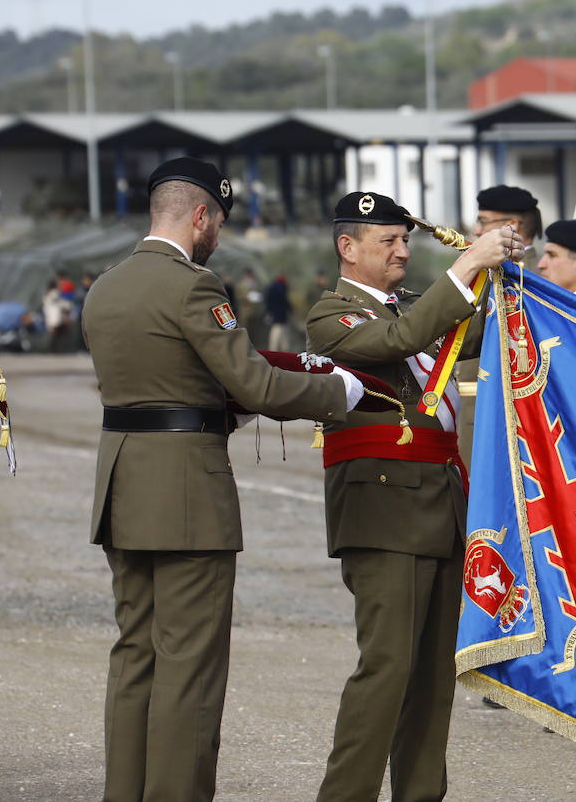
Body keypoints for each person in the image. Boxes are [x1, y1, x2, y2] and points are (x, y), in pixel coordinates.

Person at [82, 157, 359, 802]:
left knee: (135, 659)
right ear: (201, 215)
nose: (218, 238)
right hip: (186, 491)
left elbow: (156, 385)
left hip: (122, 484)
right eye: (218, 223)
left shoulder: (106, 287)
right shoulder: (194, 287)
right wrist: (336, 392)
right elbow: (255, 382)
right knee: (190, 668)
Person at [305, 191, 520, 802]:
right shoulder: (333, 314)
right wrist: (466, 266)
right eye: (387, 243)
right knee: (387, 671)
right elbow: (393, 341)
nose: (403, 251)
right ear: (348, 248)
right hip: (382, 513)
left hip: (440, 505)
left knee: (431, 680)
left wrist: (507, 280)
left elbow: (465, 332)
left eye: (406, 241)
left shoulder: (412, 311)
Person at [456, 184, 541, 476]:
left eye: (483, 222)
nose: (477, 231)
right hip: (474, 411)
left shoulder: (534, 276)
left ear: (512, 226)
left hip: (508, 417)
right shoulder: (493, 269)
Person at [265, 274, 293, 351]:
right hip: (281, 315)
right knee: (281, 333)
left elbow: (267, 301)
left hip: (274, 314)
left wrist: (268, 312)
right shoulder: (282, 288)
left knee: (276, 333)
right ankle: (282, 351)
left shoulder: (271, 287)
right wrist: (290, 309)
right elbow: (284, 300)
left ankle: (274, 350)